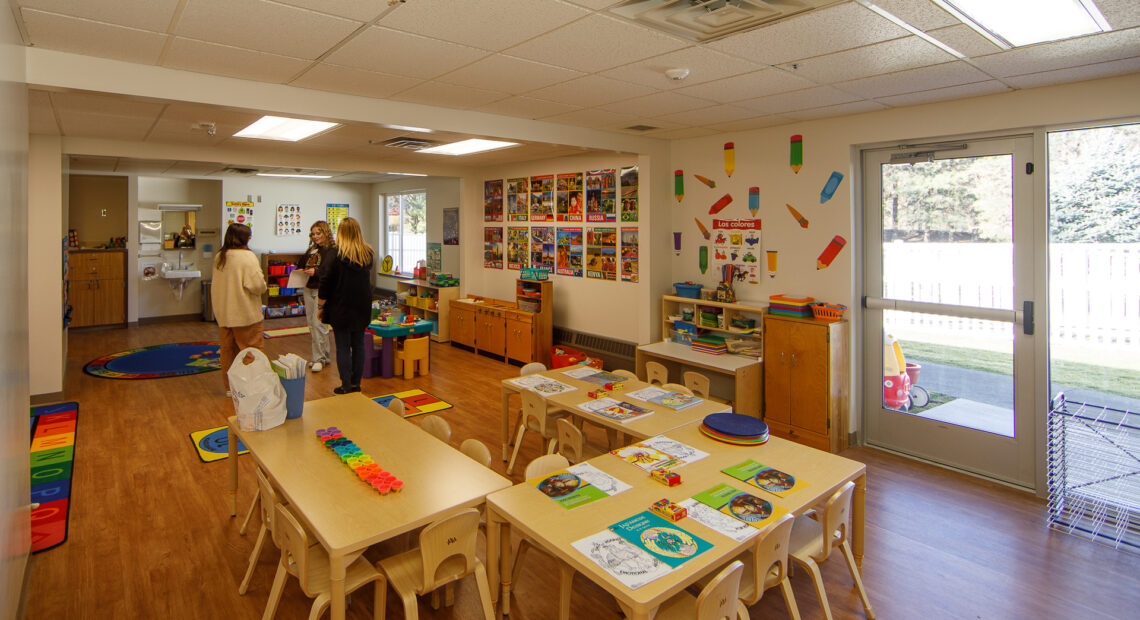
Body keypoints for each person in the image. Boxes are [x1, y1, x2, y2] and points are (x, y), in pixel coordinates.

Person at [318, 217, 374, 394]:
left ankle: (346, 385)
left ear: (340, 233)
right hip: (361, 305)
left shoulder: (335, 254)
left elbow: (325, 280)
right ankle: (356, 384)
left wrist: (321, 305)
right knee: (359, 345)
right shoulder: (367, 253)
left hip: (341, 306)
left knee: (343, 346)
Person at [211, 223, 267, 395]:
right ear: (246, 238)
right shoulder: (247, 257)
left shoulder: (220, 256)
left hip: (224, 313)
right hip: (244, 313)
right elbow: (257, 286)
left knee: (228, 351)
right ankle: (252, 386)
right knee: (251, 350)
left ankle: (231, 388)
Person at [298, 221, 336, 373]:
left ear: (326, 233)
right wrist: (300, 270)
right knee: (312, 324)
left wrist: (317, 273)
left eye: (318, 233)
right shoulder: (311, 250)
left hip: (322, 290)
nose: (315, 237)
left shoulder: (331, 250)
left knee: (319, 324)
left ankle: (318, 358)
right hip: (308, 288)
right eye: (313, 234)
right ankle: (323, 356)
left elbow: (331, 272)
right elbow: (300, 264)